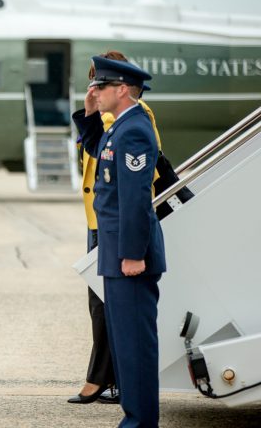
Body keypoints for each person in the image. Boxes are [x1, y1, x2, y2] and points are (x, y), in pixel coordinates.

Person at [72, 56, 167, 428]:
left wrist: (131, 254)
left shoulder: (135, 130)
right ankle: (134, 419)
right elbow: (98, 151)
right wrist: (90, 113)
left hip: (128, 256)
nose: (94, 90)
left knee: (135, 347)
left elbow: (135, 200)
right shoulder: (119, 127)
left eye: (102, 86)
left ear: (122, 89)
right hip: (114, 251)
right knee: (125, 346)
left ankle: (139, 423)